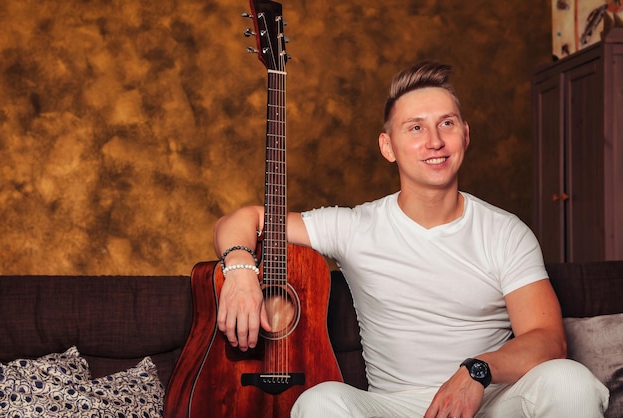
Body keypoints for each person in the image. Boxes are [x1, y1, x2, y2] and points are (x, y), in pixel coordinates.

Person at [212, 61, 609, 417]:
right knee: (318, 402)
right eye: (415, 127)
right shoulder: (354, 226)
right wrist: (242, 271)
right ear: (389, 147)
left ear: (465, 136)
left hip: (489, 399)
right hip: (395, 406)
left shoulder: (506, 232)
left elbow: (547, 340)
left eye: (447, 123)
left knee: (568, 379)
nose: (434, 141)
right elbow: (244, 219)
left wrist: (476, 371)